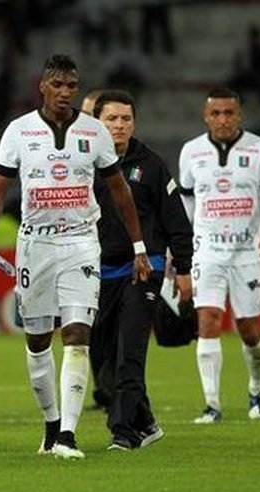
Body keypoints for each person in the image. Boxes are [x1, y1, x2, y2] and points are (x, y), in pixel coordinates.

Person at [0, 54, 151, 459]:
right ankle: (51, 423)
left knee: (77, 335)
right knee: (38, 341)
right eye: (57, 85)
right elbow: (0, 188)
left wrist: (139, 246)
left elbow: (119, 190)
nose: (64, 93)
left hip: (80, 242)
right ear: (42, 85)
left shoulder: (93, 132)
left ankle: (68, 437)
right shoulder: (19, 131)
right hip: (35, 244)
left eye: (71, 86)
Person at [88, 90, 193, 449]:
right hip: (99, 271)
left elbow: (176, 220)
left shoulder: (151, 164)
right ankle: (145, 421)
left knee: (129, 350)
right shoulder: (84, 163)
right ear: (97, 124)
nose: (119, 126)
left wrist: (184, 269)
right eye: (111, 119)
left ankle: (123, 431)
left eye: (125, 119)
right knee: (102, 356)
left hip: (144, 268)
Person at [178, 87, 260, 424]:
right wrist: (180, 245)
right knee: (207, 319)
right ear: (205, 116)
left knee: (249, 329)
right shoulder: (191, 151)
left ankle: (257, 387)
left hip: (246, 251)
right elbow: (186, 204)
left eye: (229, 113)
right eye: (216, 113)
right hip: (207, 249)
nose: (223, 119)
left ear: (240, 115)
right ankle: (212, 404)